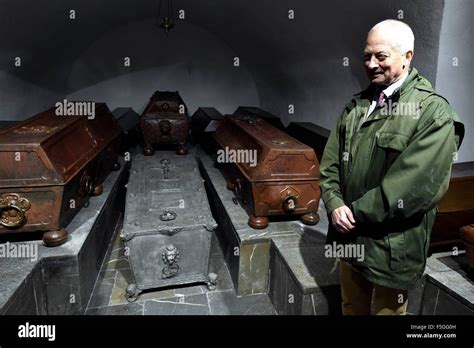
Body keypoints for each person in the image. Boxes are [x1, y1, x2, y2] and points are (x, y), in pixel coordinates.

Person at [319, 19, 465, 315]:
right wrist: (334, 203)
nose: (371, 64)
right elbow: (330, 164)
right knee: (351, 307)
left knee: (389, 313)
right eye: (367, 55)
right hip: (350, 235)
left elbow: (412, 188)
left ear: (407, 56)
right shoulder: (356, 106)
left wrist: (353, 213)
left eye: (381, 56)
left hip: (392, 247)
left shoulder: (433, 113)